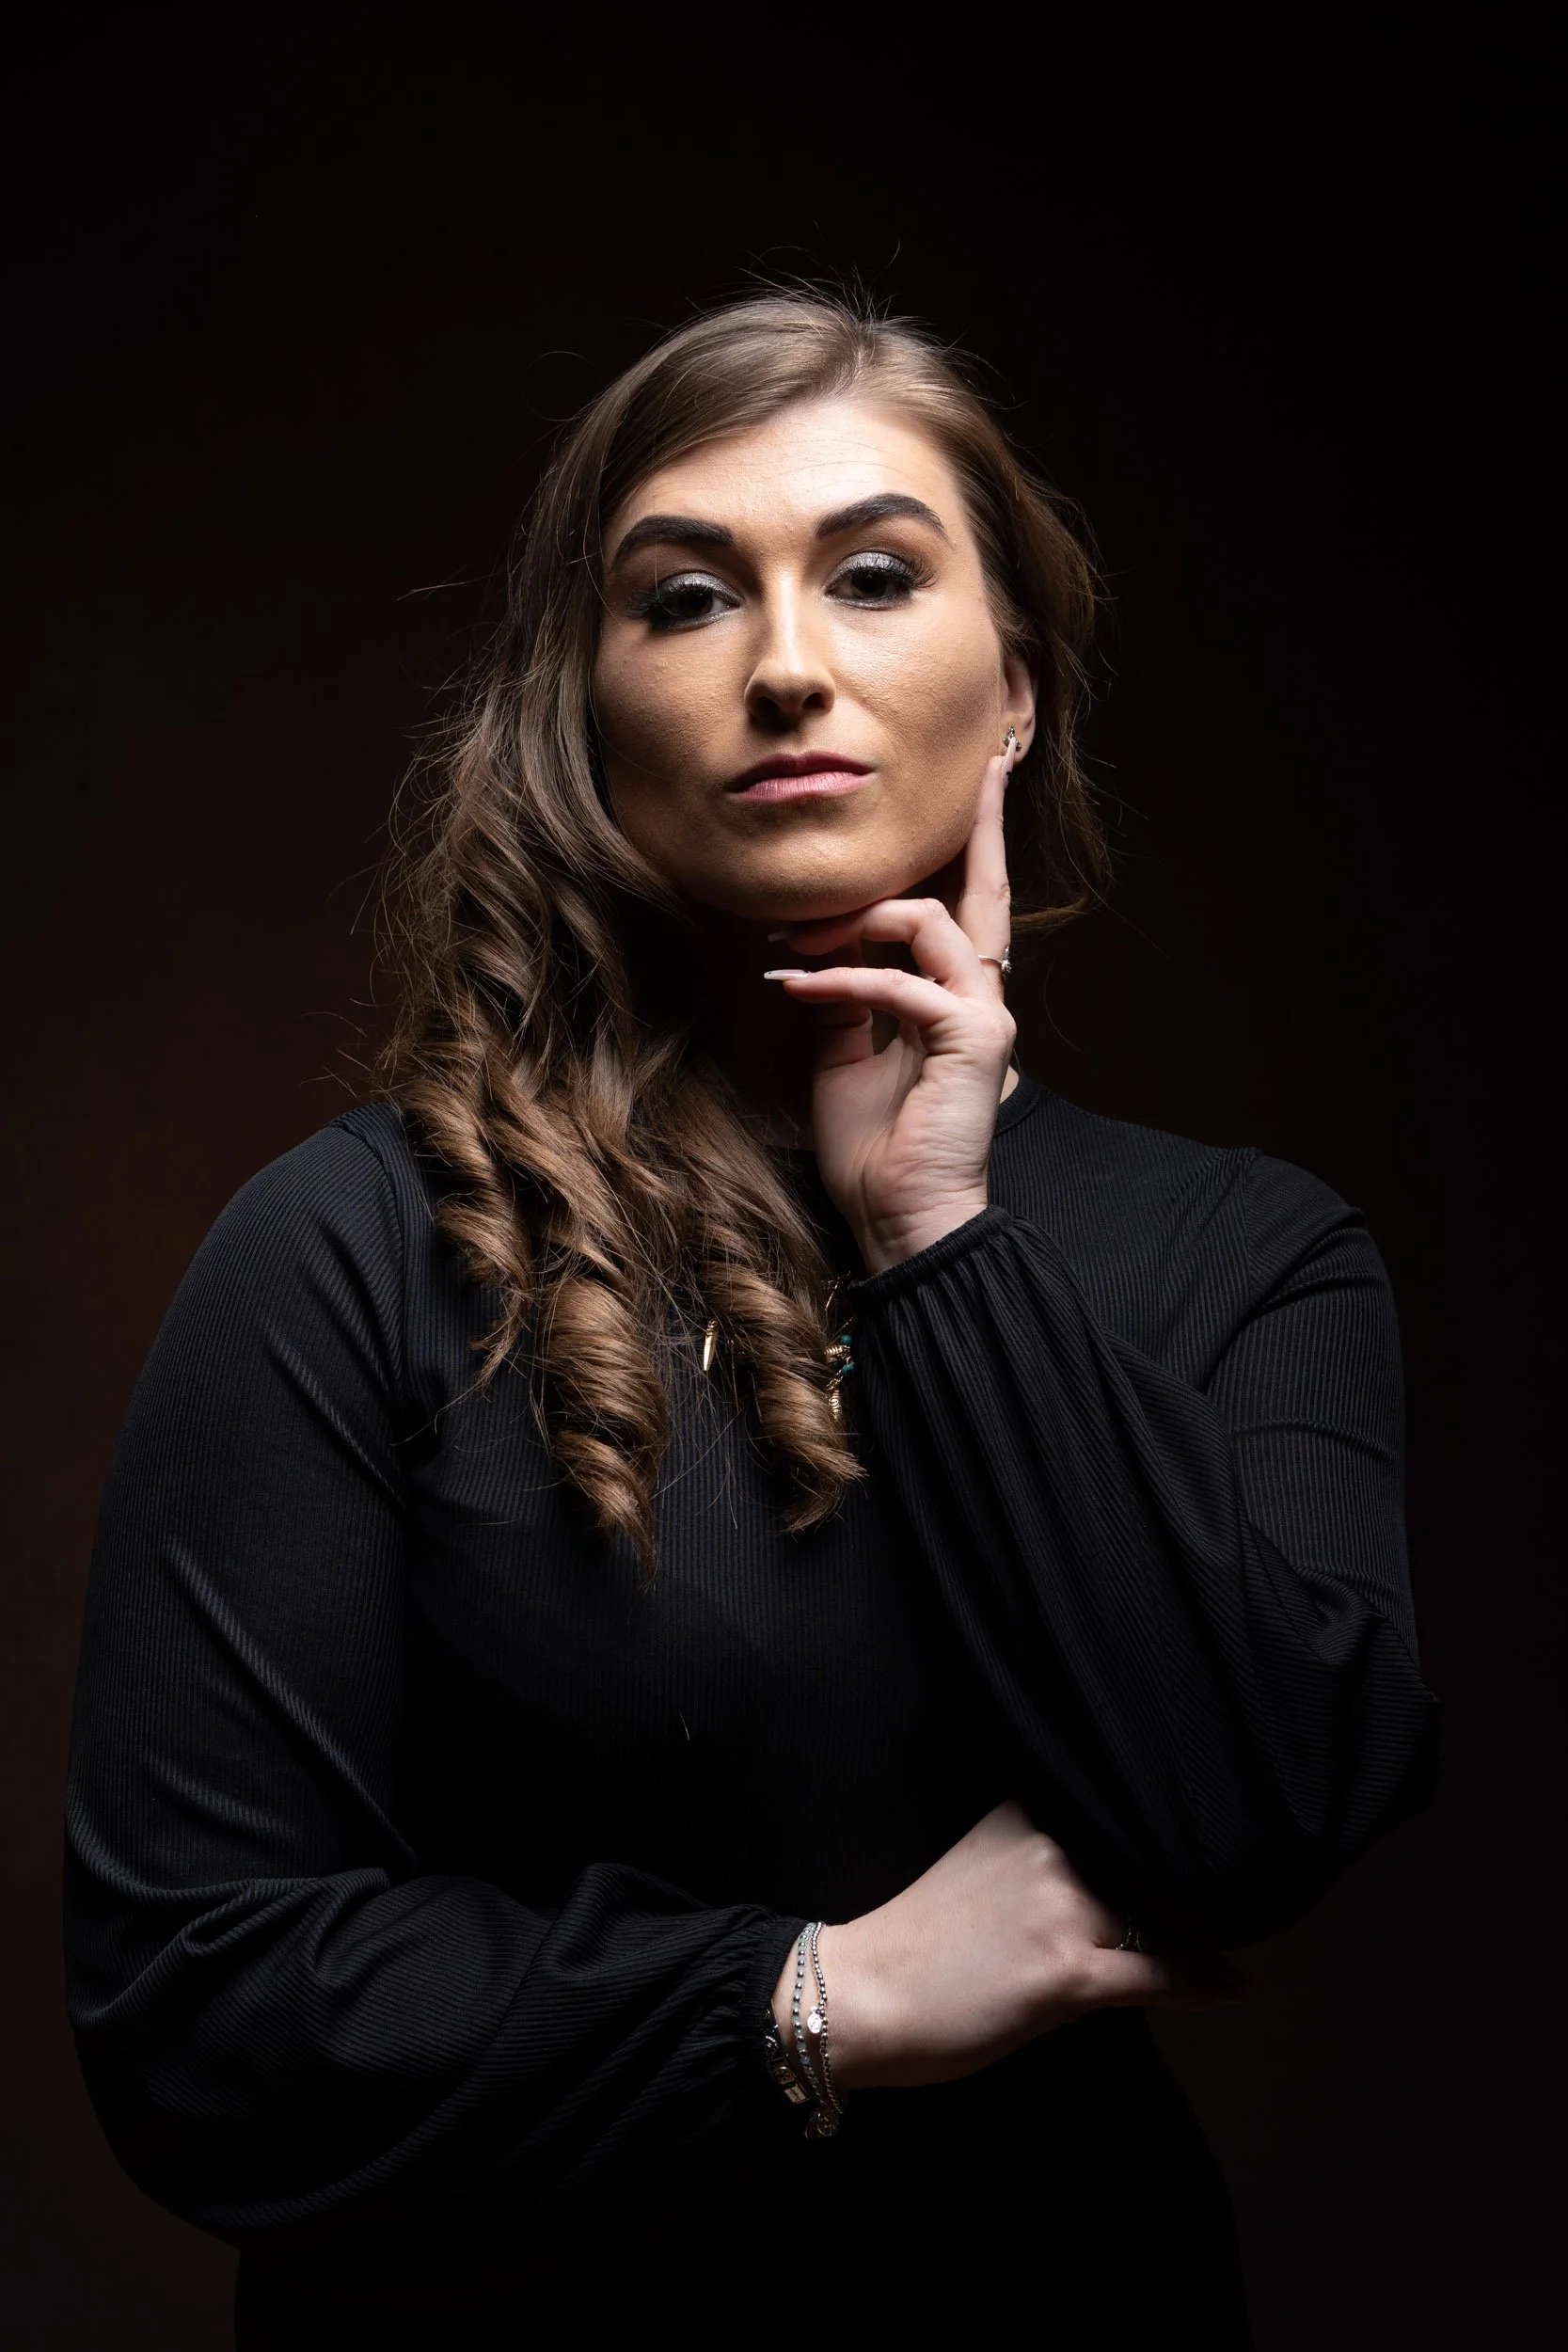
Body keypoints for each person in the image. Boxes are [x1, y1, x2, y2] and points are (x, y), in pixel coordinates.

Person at [64, 293, 1436, 2346]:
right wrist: (822, 1993)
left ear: (1014, 697)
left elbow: (1240, 1823)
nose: (784, 662)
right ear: (589, 708)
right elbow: (200, 2006)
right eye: (686, 596)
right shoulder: (354, 1244)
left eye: (873, 576)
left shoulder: (1247, 1253)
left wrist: (936, 1234)